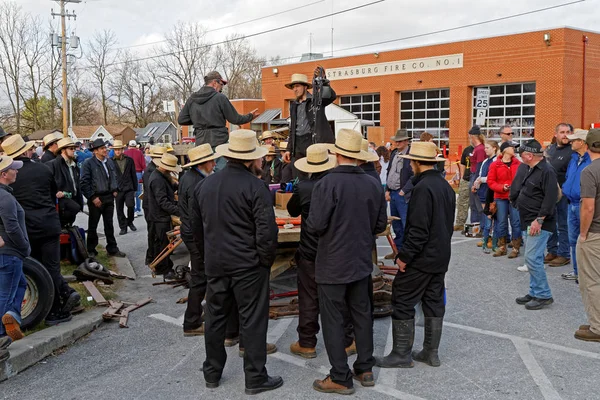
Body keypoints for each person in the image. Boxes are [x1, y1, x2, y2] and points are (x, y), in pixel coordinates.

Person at [191, 130, 282, 395]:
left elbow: (196, 229)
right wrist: (264, 262)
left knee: (215, 317)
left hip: (217, 263)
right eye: (259, 158)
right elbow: (267, 232)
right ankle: (255, 377)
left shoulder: (205, 185)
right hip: (247, 265)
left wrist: (208, 255)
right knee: (252, 320)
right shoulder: (255, 186)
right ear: (249, 159)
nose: (262, 162)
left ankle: (212, 371)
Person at [309, 129, 387, 394]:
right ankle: (365, 368)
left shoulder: (327, 183)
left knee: (333, 320)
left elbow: (316, 225)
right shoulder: (373, 182)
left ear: (336, 153)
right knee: (362, 314)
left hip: (333, 262)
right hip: (360, 260)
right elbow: (379, 225)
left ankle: (340, 375)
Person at [377, 142, 454, 369]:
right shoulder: (445, 186)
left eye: (411, 161)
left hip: (422, 257)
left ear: (418, 163)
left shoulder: (422, 189)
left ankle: (401, 354)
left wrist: (404, 257)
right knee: (433, 301)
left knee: (402, 299)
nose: (410, 165)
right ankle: (431, 352)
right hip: (440, 255)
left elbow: (419, 230)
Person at [2, 135, 80, 325]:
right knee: (52, 268)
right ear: (27, 151)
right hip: (48, 223)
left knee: (37, 270)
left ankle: (49, 305)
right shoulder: (44, 169)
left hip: (28, 227)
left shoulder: (12, 176)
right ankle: (56, 309)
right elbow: (53, 192)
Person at [287, 144, 356, 359]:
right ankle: (346, 340)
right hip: (335, 250)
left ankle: (307, 342)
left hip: (309, 249)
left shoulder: (304, 187)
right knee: (339, 298)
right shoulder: (340, 184)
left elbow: (292, 210)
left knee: (308, 297)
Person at [178, 71, 259, 171]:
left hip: (201, 142)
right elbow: (235, 119)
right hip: (219, 141)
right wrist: (250, 116)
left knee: (204, 173)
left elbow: (181, 119)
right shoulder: (220, 98)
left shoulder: (192, 99)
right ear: (214, 83)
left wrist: (198, 120)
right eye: (221, 84)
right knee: (221, 174)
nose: (222, 87)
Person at [512, 139, 558, 310]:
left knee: (532, 258)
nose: (520, 157)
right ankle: (534, 291)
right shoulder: (531, 168)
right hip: (528, 219)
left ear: (529, 155)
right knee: (534, 258)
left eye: (522, 154)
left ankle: (543, 294)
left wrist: (539, 220)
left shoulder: (547, 171)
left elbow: (550, 198)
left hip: (539, 222)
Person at [179, 144, 218, 336]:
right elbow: (198, 217)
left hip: (191, 233)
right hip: (195, 235)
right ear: (203, 164)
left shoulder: (190, 177)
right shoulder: (196, 182)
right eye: (211, 160)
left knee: (199, 277)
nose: (214, 163)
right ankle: (192, 322)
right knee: (199, 278)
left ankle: (195, 316)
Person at [282, 70, 337, 178]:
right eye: (293, 87)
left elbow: (331, 96)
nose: (295, 89)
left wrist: (324, 82)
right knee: (298, 176)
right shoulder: (294, 105)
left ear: (305, 87)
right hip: (297, 143)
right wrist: (288, 149)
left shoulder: (316, 100)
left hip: (312, 141)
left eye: (297, 86)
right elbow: (293, 129)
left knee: (317, 173)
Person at [80, 138, 126, 258]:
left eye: (105, 148)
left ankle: (112, 248)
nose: (105, 150)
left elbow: (114, 176)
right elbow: (84, 183)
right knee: (93, 225)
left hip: (109, 197)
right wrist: (92, 197)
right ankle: (91, 249)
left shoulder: (109, 162)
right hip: (96, 198)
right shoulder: (88, 163)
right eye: (102, 148)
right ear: (95, 151)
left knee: (109, 224)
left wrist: (115, 189)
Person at [0, 155, 28, 346]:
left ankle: (12, 317)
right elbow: (12, 226)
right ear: (3, 174)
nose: (16, 171)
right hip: (10, 253)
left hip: (7, 251)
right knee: (5, 294)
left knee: (20, 284)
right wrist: (24, 246)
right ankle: (1, 335)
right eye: (13, 169)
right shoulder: (5, 197)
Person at [575, 128, 600, 341]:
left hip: (595, 233)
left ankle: (597, 326)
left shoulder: (590, 171)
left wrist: (583, 234)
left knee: (591, 280)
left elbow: (588, 207)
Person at [561, 129, 591, 281]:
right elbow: (568, 178)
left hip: (584, 203)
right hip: (571, 203)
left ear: (583, 143)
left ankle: (586, 273)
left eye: (574, 140)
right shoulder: (574, 159)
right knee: (573, 240)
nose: (571, 142)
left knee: (586, 240)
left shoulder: (591, 160)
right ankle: (577, 271)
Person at [147, 153, 181, 280]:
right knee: (163, 244)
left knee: (163, 242)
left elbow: (171, 186)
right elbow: (163, 202)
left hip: (161, 215)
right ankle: (165, 269)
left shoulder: (162, 175)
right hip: (159, 216)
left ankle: (163, 267)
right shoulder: (157, 179)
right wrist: (179, 211)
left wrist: (179, 187)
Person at [545, 123, 574, 266]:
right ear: (556, 134)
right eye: (562, 132)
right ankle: (552, 251)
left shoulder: (572, 151)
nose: (565, 135)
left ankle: (564, 254)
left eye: (568, 132)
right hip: (550, 193)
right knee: (550, 223)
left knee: (563, 224)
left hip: (564, 194)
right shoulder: (550, 149)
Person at [487, 141, 522, 257]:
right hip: (500, 197)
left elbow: (522, 180)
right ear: (505, 150)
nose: (515, 149)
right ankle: (502, 247)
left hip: (515, 197)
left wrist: (515, 188)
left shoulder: (519, 164)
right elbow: (491, 182)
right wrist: (502, 187)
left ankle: (516, 247)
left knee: (516, 222)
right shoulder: (495, 165)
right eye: (513, 147)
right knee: (501, 222)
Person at [385, 129, 413, 257]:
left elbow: (414, 176)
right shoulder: (394, 153)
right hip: (393, 193)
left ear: (406, 141)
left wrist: (404, 190)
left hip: (402, 194)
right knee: (396, 224)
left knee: (405, 223)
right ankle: (398, 251)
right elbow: (389, 171)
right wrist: (387, 190)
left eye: (400, 141)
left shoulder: (410, 154)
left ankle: (407, 253)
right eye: (396, 141)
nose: (397, 143)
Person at [47, 138, 84, 228]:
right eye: (71, 149)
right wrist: (58, 192)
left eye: (74, 148)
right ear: (63, 150)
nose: (73, 151)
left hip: (73, 199)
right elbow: (48, 184)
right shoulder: (54, 164)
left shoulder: (73, 165)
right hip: (62, 203)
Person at [142, 146, 167, 268]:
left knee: (154, 234)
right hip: (151, 207)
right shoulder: (150, 171)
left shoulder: (154, 169)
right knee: (153, 234)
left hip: (152, 205)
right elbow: (155, 193)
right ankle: (151, 257)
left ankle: (152, 257)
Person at [474, 141, 500, 253]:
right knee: (485, 215)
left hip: (491, 190)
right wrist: (476, 183)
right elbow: (480, 174)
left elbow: (492, 176)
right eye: (485, 148)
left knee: (492, 216)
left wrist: (482, 179)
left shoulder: (495, 160)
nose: (485, 150)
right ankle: (486, 237)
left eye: (488, 148)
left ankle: (494, 238)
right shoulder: (485, 161)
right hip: (483, 190)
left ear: (494, 148)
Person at [111, 140, 138, 236]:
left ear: (122, 150)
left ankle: (130, 221)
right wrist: (113, 190)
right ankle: (123, 227)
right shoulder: (111, 161)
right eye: (116, 150)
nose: (117, 151)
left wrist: (135, 188)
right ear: (114, 151)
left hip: (129, 187)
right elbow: (110, 177)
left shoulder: (129, 160)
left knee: (131, 205)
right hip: (117, 189)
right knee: (119, 208)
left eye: (119, 149)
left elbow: (133, 174)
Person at [468, 126, 487, 231]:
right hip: (473, 175)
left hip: (475, 175)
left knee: (478, 204)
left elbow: (479, 166)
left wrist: (476, 182)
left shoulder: (480, 149)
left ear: (472, 136)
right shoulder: (476, 148)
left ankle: (481, 226)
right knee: (473, 204)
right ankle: (474, 226)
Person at [124, 140, 146, 217]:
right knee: (138, 192)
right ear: (136, 145)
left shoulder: (125, 153)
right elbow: (143, 165)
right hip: (138, 173)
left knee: (130, 193)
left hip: (128, 174)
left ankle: (132, 210)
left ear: (129, 146)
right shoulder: (139, 152)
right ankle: (138, 209)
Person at [455, 143, 474, 231]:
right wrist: (462, 176)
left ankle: (477, 225)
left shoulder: (482, 149)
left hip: (475, 179)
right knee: (462, 201)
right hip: (466, 179)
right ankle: (460, 223)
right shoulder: (467, 150)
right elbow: (462, 163)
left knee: (475, 203)